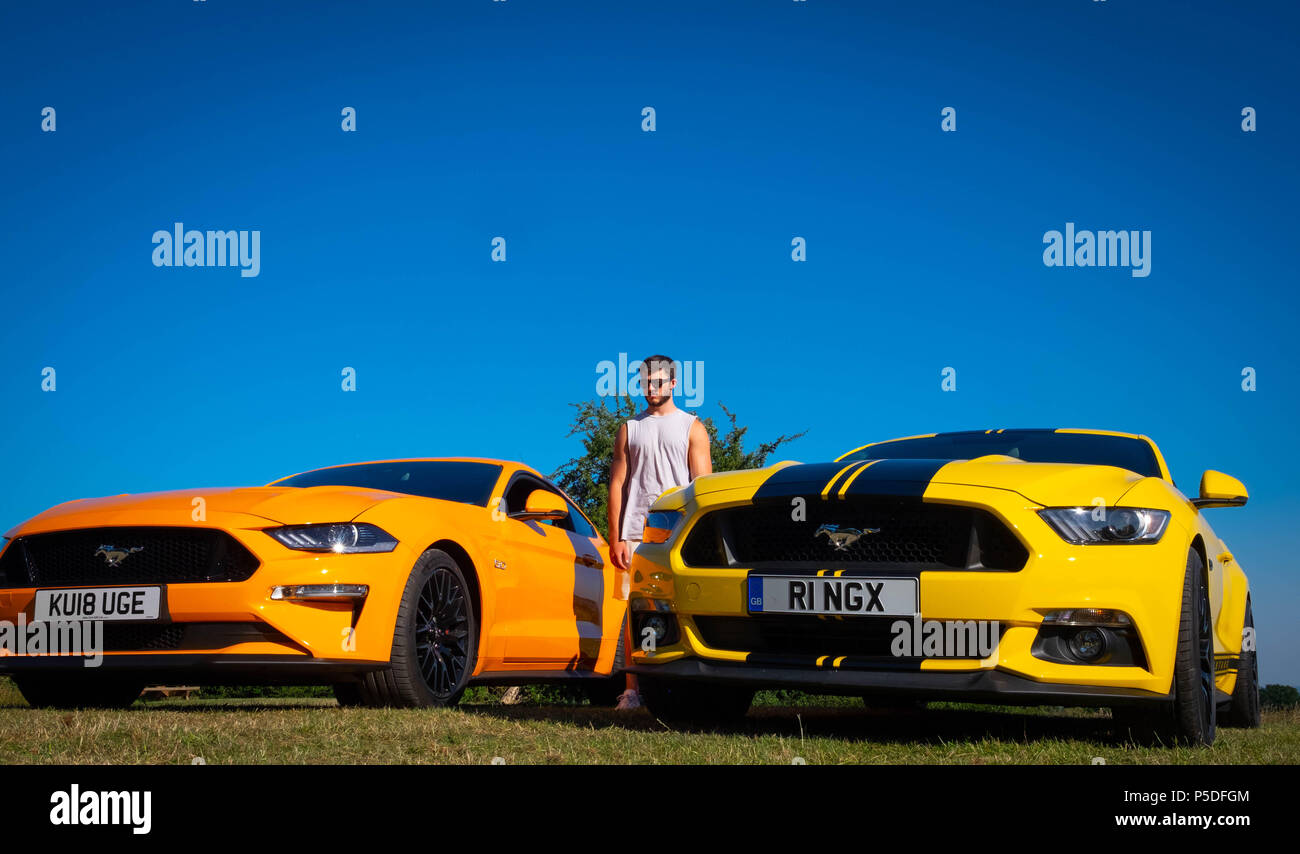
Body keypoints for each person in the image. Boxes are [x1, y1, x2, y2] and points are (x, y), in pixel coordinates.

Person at [608, 354, 712, 710]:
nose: (651, 388)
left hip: (679, 535)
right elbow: (618, 484)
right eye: (645, 381)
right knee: (634, 608)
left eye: (658, 381)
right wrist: (617, 536)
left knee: (681, 605)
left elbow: (703, 489)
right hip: (636, 531)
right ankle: (633, 689)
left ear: (673, 384)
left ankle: (689, 686)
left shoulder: (691, 427)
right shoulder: (630, 428)